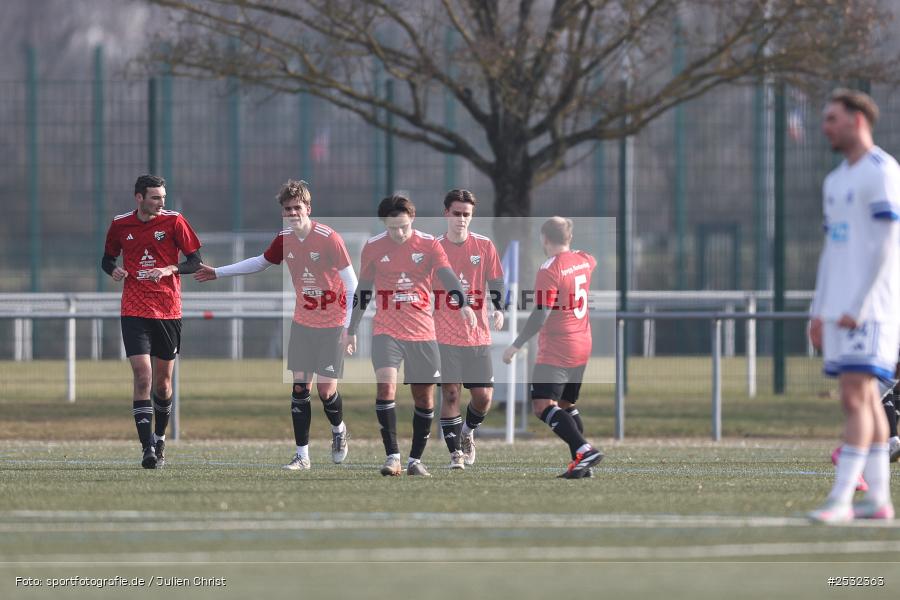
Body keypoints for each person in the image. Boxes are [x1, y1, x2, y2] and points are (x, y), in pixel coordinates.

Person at [194, 180, 356, 470]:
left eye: (297, 208)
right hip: (303, 323)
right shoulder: (284, 239)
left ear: (308, 208)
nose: (293, 213)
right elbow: (260, 262)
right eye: (287, 209)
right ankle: (302, 455)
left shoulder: (329, 238)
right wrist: (218, 272)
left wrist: (349, 328)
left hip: (332, 324)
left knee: (326, 392)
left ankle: (338, 430)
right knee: (299, 389)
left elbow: (353, 285)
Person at [808, 88, 900, 523]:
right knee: (862, 398)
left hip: (872, 310)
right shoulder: (835, 179)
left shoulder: (881, 172)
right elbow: (831, 250)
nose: (825, 127)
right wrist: (819, 308)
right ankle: (879, 502)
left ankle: (842, 499)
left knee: (853, 397)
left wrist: (860, 305)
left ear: (858, 120)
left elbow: (886, 245)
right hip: (840, 309)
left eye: (832, 119)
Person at [346, 194, 476, 477]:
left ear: (412, 220)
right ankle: (392, 456)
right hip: (386, 329)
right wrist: (351, 329)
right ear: (385, 224)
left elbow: (447, 276)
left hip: (422, 332)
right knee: (385, 387)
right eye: (393, 228)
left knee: (424, 400)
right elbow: (363, 291)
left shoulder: (429, 245)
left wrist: (463, 303)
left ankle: (415, 459)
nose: (399, 233)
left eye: (404, 226)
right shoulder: (373, 248)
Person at [101, 174, 202, 469]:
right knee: (143, 376)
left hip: (168, 311)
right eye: (155, 197)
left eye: (163, 198)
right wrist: (114, 270)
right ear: (139, 198)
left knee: (163, 384)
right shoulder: (121, 224)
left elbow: (195, 261)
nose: (161, 203)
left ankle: (160, 438)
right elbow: (106, 259)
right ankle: (146, 449)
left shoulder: (174, 221)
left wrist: (171, 267)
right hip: (134, 310)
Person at [502, 217, 603, 479]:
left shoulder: (549, 269)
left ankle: (583, 449)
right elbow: (592, 260)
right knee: (565, 404)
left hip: (559, 346)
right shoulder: (584, 259)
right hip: (583, 343)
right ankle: (581, 463)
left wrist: (517, 343)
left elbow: (541, 313)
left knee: (542, 405)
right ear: (569, 238)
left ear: (544, 239)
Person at [433, 189, 505, 469]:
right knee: (451, 393)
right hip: (443, 333)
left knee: (484, 397)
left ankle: (467, 432)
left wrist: (498, 308)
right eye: (457, 213)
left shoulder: (484, 246)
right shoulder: (434, 249)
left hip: (477, 334)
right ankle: (455, 454)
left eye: (466, 214)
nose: (461, 219)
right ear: (446, 214)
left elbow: (496, 281)